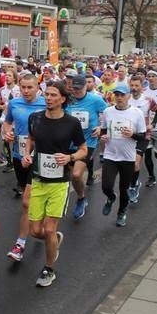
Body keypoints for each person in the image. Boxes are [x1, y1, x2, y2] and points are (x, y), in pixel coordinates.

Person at [22, 81, 87, 286]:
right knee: (36, 232)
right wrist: (27, 154)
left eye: (53, 95)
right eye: (47, 94)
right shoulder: (36, 118)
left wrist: (69, 158)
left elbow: (83, 149)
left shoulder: (71, 123)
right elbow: (30, 139)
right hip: (38, 179)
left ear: (62, 99)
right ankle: (54, 241)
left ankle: (49, 269)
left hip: (59, 182)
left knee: (49, 229)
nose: (48, 98)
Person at [4, 73, 46, 262]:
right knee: (25, 194)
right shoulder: (14, 103)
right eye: (23, 87)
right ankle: (40, 221)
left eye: (30, 87)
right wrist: (7, 133)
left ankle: (20, 243)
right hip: (18, 155)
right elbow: (7, 123)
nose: (26, 91)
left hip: (38, 158)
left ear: (38, 87)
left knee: (26, 202)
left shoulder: (46, 103)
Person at [99, 83, 148, 228]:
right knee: (106, 186)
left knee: (123, 188)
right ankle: (111, 197)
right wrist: (103, 137)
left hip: (128, 157)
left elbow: (144, 138)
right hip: (111, 155)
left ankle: (121, 212)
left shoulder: (136, 113)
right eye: (117, 95)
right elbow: (103, 131)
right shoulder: (108, 111)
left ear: (129, 96)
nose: (119, 98)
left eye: (122, 95)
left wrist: (133, 135)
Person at [64, 72, 107, 219]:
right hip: (69, 142)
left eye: (79, 88)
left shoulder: (95, 100)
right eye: (74, 88)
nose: (76, 91)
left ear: (86, 86)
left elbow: (108, 114)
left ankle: (81, 199)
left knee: (76, 174)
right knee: (73, 175)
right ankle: (81, 195)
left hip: (88, 142)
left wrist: (101, 127)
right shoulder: (67, 100)